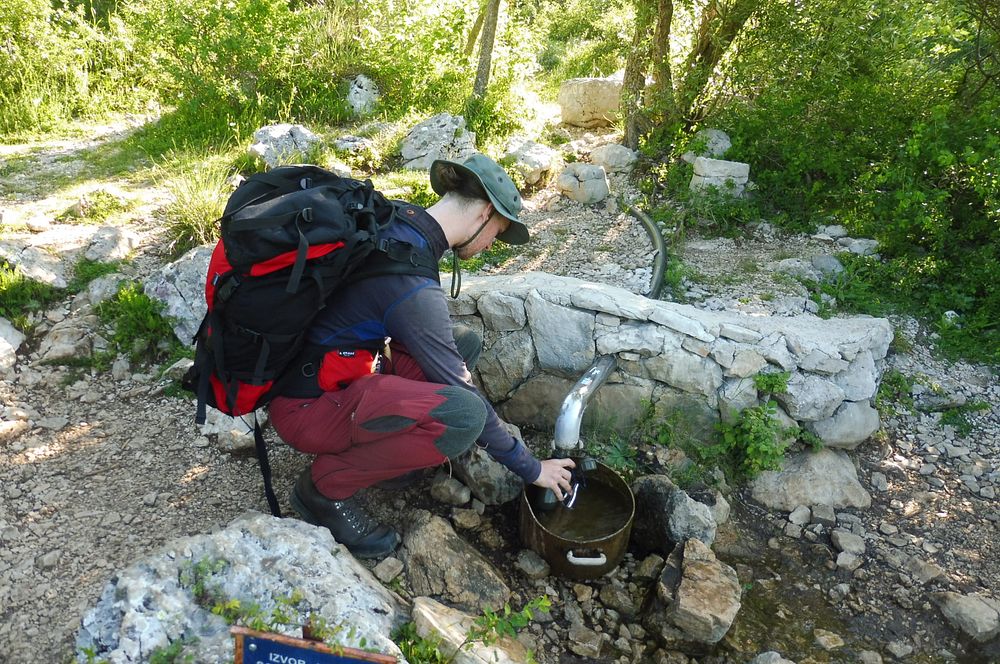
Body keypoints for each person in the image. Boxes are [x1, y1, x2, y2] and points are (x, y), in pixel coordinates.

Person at [268, 153, 577, 558]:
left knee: (461, 343)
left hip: (333, 373)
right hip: (308, 406)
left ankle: (384, 455)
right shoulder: (411, 285)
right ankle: (325, 490)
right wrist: (532, 468)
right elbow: (462, 394)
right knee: (463, 416)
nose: (488, 247)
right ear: (484, 213)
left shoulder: (397, 221)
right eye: (496, 233)